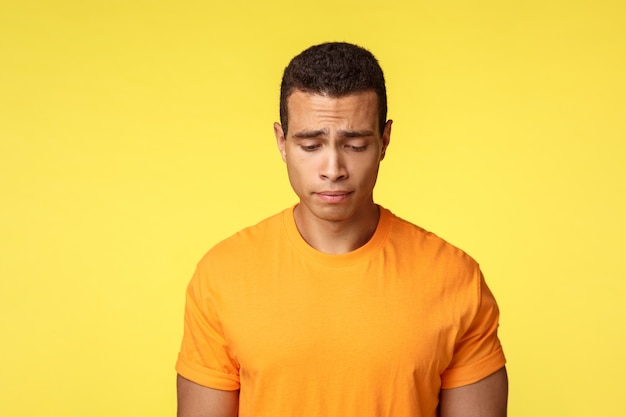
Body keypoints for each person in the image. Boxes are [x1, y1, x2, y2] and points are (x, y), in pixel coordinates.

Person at [176, 42, 508, 417]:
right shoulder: (222, 275)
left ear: (384, 141)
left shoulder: (455, 278)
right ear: (282, 143)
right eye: (311, 144)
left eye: (354, 144)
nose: (333, 168)